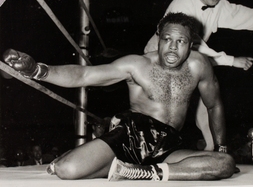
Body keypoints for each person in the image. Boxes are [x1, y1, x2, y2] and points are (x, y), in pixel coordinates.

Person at [4, 12, 235, 181]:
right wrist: (37, 70)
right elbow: (85, 75)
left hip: (169, 145)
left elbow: (214, 105)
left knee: (224, 163)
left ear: (191, 43)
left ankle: (140, 172)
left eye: (181, 42)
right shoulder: (137, 65)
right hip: (131, 137)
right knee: (67, 170)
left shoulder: (200, 65)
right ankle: (124, 164)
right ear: (158, 36)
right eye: (167, 40)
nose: (172, 48)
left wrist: (222, 147)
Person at [144, 0, 253, 150]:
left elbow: (238, 14)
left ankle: (213, 150)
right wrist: (232, 61)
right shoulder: (183, 6)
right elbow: (195, 46)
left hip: (190, 57)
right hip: (160, 58)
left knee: (208, 97)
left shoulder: (218, 4)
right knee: (164, 110)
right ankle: (150, 152)